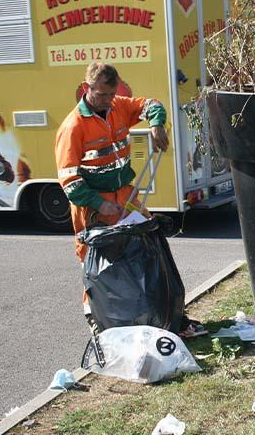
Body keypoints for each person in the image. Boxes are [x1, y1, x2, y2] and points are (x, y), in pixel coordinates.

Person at [55, 62, 204, 338]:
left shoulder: (118, 106)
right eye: (101, 95)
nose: (108, 102)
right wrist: (100, 205)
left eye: (111, 95)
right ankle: (99, 322)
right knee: (97, 266)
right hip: (92, 207)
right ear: (87, 89)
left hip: (125, 195)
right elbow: (69, 181)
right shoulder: (73, 127)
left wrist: (157, 125)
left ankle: (162, 315)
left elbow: (152, 105)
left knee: (147, 250)